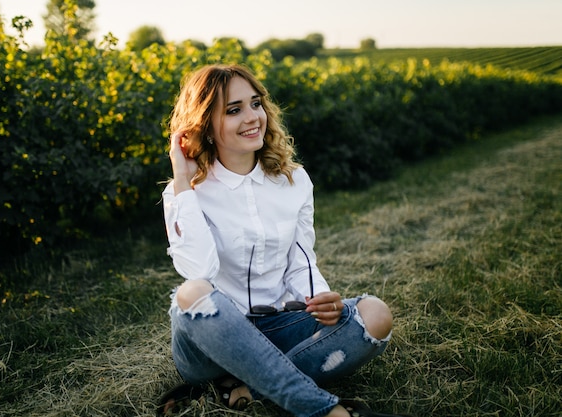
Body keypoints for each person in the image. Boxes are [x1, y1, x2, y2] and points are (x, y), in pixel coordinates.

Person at [158, 64, 405, 417]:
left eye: (255, 104)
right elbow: (200, 270)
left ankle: (245, 390)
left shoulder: (295, 181)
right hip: (210, 341)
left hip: (279, 326)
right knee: (191, 293)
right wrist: (182, 178)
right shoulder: (185, 192)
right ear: (205, 126)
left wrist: (319, 298)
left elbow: (301, 259)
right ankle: (328, 411)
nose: (252, 117)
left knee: (375, 315)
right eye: (233, 110)